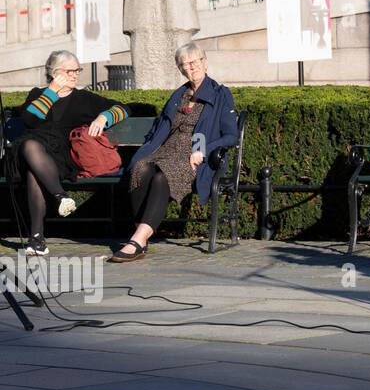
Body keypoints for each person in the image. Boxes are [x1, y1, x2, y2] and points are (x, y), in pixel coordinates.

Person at [111, 43, 239, 262]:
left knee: (162, 177)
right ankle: (141, 231)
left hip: (194, 154)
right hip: (165, 149)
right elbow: (160, 129)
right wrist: (146, 150)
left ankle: (138, 240)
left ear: (204, 62)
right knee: (140, 167)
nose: (191, 67)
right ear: (180, 69)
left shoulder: (220, 94)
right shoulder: (179, 94)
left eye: (194, 62)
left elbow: (231, 136)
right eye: (185, 64)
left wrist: (203, 150)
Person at [11, 51, 130, 256]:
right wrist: (52, 91)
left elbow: (124, 108)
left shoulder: (84, 98)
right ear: (54, 73)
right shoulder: (38, 94)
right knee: (31, 148)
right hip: (29, 152)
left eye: (78, 70)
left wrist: (103, 118)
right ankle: (61, 196)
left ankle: (37, 239)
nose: (75, 75)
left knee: (34, 170)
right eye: (70, 71)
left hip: (61, 159)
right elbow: (30, 120)